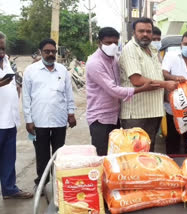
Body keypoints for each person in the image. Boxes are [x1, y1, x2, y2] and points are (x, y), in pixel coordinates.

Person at [86, 27, 159, 156]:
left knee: (116, 155)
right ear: (100, 43)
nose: (112, 46)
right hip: (100, 118)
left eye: (115, 42)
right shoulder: (94, 63)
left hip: (114, 116)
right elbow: (113, 90)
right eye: (108, 43)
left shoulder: (114, 59)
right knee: (102, 156)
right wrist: (142, 89)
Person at [22, 38, 76, 188]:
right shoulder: (31, 71)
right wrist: (28, 119)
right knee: (42, 153)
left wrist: (71, 113)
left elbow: (68, 93)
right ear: (40, 52)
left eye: (53, 51)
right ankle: (42, 181)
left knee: (59, 153)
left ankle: (59, 181)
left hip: (59, 119)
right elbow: (26, 97)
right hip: (39, 119)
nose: (50, 54)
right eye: (47, 51)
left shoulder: (62, 70)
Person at [119, 17, 178, 152]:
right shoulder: (130, 49)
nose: (145, 34)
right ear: (134, 32)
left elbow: (157, 74)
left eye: (148, 31)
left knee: (148, 153)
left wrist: (173, 79)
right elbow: (137, 80)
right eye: (141, 31)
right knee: (135, 154)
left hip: (154, 111)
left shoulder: (152, 50)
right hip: (136, 114)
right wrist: (165, 84)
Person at [0, 32, 33, 199]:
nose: (1, 52)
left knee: (8, 159)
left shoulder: (6, 62)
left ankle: (9, 189)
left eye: (3, 48)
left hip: (9, 120)